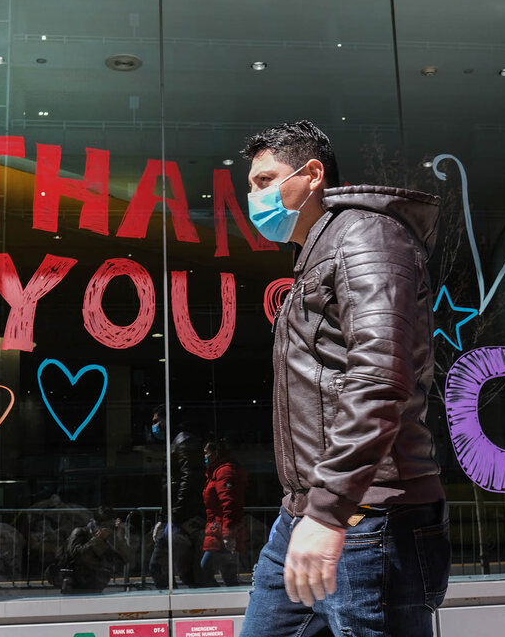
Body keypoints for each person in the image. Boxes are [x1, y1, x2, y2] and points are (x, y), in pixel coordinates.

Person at [239, 121, 450, 637]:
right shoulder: (318, 249)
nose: (254, 197)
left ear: (312, 175)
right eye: (250, 186)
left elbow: (379, 377)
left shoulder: (365, 235)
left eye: (265, 180)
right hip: (312, 511)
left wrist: (330, 510)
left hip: (366, 516)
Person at [146, 405, 207, 588]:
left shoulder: (182, 441)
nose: (155, 426)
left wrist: (174, 516)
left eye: (157, 421)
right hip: (177, 518)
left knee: (160, 567)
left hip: (180, 519)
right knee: (187, 571)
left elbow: (189, 481)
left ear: (167, 420)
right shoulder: (177, 442)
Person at [200, 439, 247, 587]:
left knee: (206, 568)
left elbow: (229, 503)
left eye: (206, 453)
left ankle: (213, 601)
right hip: (219, 528)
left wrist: (228, 532)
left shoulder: (223, 472)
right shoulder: (217, 472)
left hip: (221, 530)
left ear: (215, 453)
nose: (205, 456)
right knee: (227, 571)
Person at [57, 505, 130, 594]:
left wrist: (119, 538)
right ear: (95, 522)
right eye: (105, 525)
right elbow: (75, 554)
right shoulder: (80, 532)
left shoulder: (110, 539)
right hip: (74, 583)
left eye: (110, 525)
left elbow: (127, 559)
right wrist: (96, 540)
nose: (108, 529)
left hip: (95, 583)